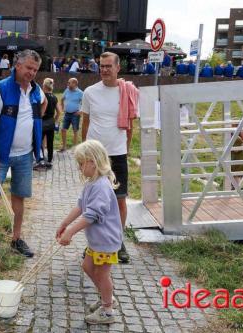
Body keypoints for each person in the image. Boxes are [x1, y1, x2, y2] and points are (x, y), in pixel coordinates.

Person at [0, 49, 47, 267]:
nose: (31, 73)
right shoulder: (1, 89)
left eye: (35, 70)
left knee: (19, 197)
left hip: (25, 155)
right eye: (28, 68)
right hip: (1, 155)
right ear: (17, 65)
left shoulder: (37, 91)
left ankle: (16, 238)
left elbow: (43, 105)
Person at [81, 52, 139, 264]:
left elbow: (130, 125)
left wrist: (126, 148)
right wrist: (84, 151)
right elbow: (85, 122)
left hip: (117, 153)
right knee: (91, 200)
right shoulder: (89, 92)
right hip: (95, 156)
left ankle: (118, 241)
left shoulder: (127, 92)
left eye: (108, 66)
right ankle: (93, 243)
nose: (104, 69)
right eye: (101, 66)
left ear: (117, 68)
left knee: (119, 200)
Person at [56, 140, 122, 325]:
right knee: (87, 266)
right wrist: (64, 223)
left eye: (81, 163)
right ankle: (106, 295)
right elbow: (81, 206)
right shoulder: (91, 183)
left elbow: (92, 214)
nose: (79, 168)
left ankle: (107, 310)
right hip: (97, 241)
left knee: (102, 274)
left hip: (106, 241)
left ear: (93, 162)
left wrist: (71, 231)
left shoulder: (101, 186)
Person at [35, 78, 62, 170]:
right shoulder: (54, 97)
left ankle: (40, 160)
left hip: (42, 122)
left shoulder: (41, 96)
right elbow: (59, 111)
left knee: (38, 141)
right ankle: (50, 160)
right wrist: (55, 120)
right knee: (50, 143)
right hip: (51, 123)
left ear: (44, 86)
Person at [60, 78, 83, 151]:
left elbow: (85, 103)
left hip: (75, 114)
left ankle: (75, 148)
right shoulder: (67, 90)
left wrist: (81, 111)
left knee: (75, 130)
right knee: (63, 129)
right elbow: (62, 99)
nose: (68, 84)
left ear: (75, 84)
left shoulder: (80, 93)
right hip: (67, 113)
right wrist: (62, 107)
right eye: (68, 83)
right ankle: (64, 147)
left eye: (69, 83)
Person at [231, 124, 243, 189]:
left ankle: (236, 186)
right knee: (236, 172)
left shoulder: (236, 137)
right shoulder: (236, 137)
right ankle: (237, 186)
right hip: (237, 156)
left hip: (238, 155)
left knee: (236, 172)